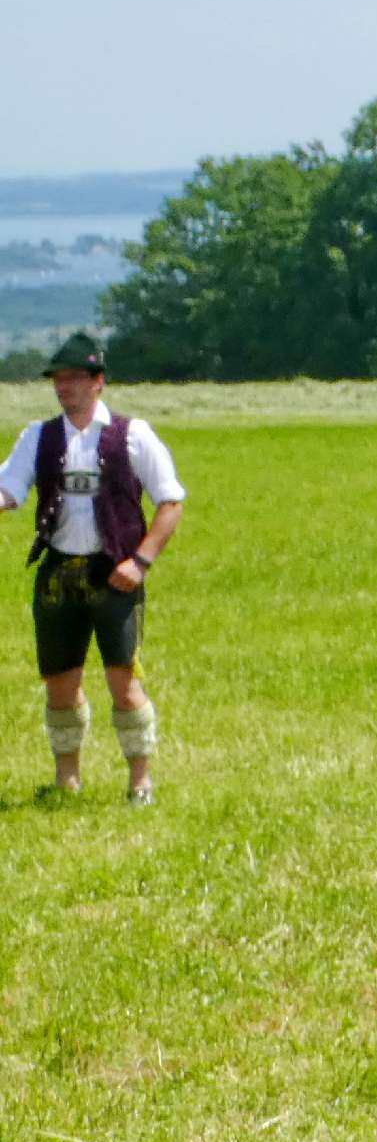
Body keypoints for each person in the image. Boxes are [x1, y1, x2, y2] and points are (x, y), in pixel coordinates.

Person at [1, 333, 184, 805]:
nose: (64, 387)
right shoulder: (38, 436)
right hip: (58, 574)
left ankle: (140, 782)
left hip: (115, 574)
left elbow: (170, 502)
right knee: (60, 685)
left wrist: (140, 562)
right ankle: (67, 781)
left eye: (75, 378)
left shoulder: (132, 434)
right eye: (58, 379)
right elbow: (8, 491)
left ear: (98, 381)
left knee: (124, 684)